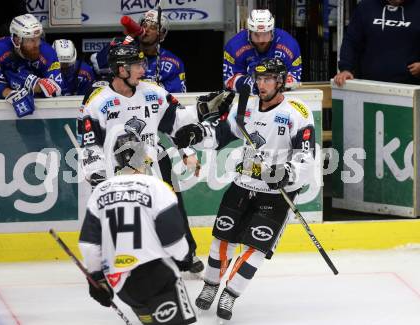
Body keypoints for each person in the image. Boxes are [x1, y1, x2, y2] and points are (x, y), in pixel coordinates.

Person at [174, 58, 315, 321]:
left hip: (276, 194)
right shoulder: (246, 106)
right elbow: (220, 133)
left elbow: (306, 158)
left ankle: (230, 293)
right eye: (259, 79)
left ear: (281, 81)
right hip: (243, 184)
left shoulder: (299, 112)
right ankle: (211, 285)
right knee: (221, 241)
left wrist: (288, 173)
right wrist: (197, 133)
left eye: (268, 79)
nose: (262, 85)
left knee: (257, 247)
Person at [79, 38, 208, 274]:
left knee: (172, 207)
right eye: (137, 65)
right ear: (121, 69)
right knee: (126, 214)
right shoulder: (97, 103)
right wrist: (96, 173)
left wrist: (186, 150)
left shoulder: (153, 92)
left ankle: (184, 255)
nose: (143, 69)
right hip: (120, 169)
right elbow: (90, 145)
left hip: (155, 161)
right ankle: (122, 260)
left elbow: (176, 122)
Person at [78, 132, 197, 325]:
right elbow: (172, 237)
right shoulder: (156, 186)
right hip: (156, 274)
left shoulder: (100, 191)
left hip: (121, 284)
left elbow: (89, 245)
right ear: (143, 159)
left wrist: (97, 279)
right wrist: (184, 257)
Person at [0, 14, 62, 117]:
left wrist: (31, 83)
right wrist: (11, 94)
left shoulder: (48, 52)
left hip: (40, 114)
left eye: (38, 38)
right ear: (17, 40)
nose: (37, 44)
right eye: (31, 40)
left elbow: (57, 87)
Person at [91, 10, 186, 93]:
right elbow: (99, 66)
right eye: (144, 25)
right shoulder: (125, 48)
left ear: (161, 34)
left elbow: (176, 95)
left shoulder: (173, 63)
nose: (147, 30)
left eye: (153, 27)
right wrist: (130, 36)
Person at [334, 0, 420, 86]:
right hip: (369, 86)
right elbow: (351, 41)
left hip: (411, 88)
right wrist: (345, 69)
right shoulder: (366, 6)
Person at [223, 9, 302, 93]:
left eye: (265, 34)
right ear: (249, 32)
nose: (261, 40)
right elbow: (229, 79)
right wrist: (257, 85)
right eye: (256, 34)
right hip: (246, 97)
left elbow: (295, 76)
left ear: (272, 31)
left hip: (281, 97)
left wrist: (272, 84)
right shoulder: (234, 45)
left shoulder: (289, 43)